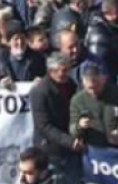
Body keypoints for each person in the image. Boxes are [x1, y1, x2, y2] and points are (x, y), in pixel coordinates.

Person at [29, 53, 82, 184]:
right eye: (63, 70)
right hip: (51, 152)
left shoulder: (70, 84)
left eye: (68, 69)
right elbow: (43, 126)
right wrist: (69, 141)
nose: (66, 73)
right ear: (51, 71)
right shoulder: (40, 91)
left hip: (71, 150)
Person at [69, 63, 118, 148]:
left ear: (104, 79)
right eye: (90, 88)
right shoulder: (78, 100)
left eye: (97, 86)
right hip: (94, 148)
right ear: (83, 83)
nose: (93, 91)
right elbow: (72, 129)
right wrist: (80, 126)